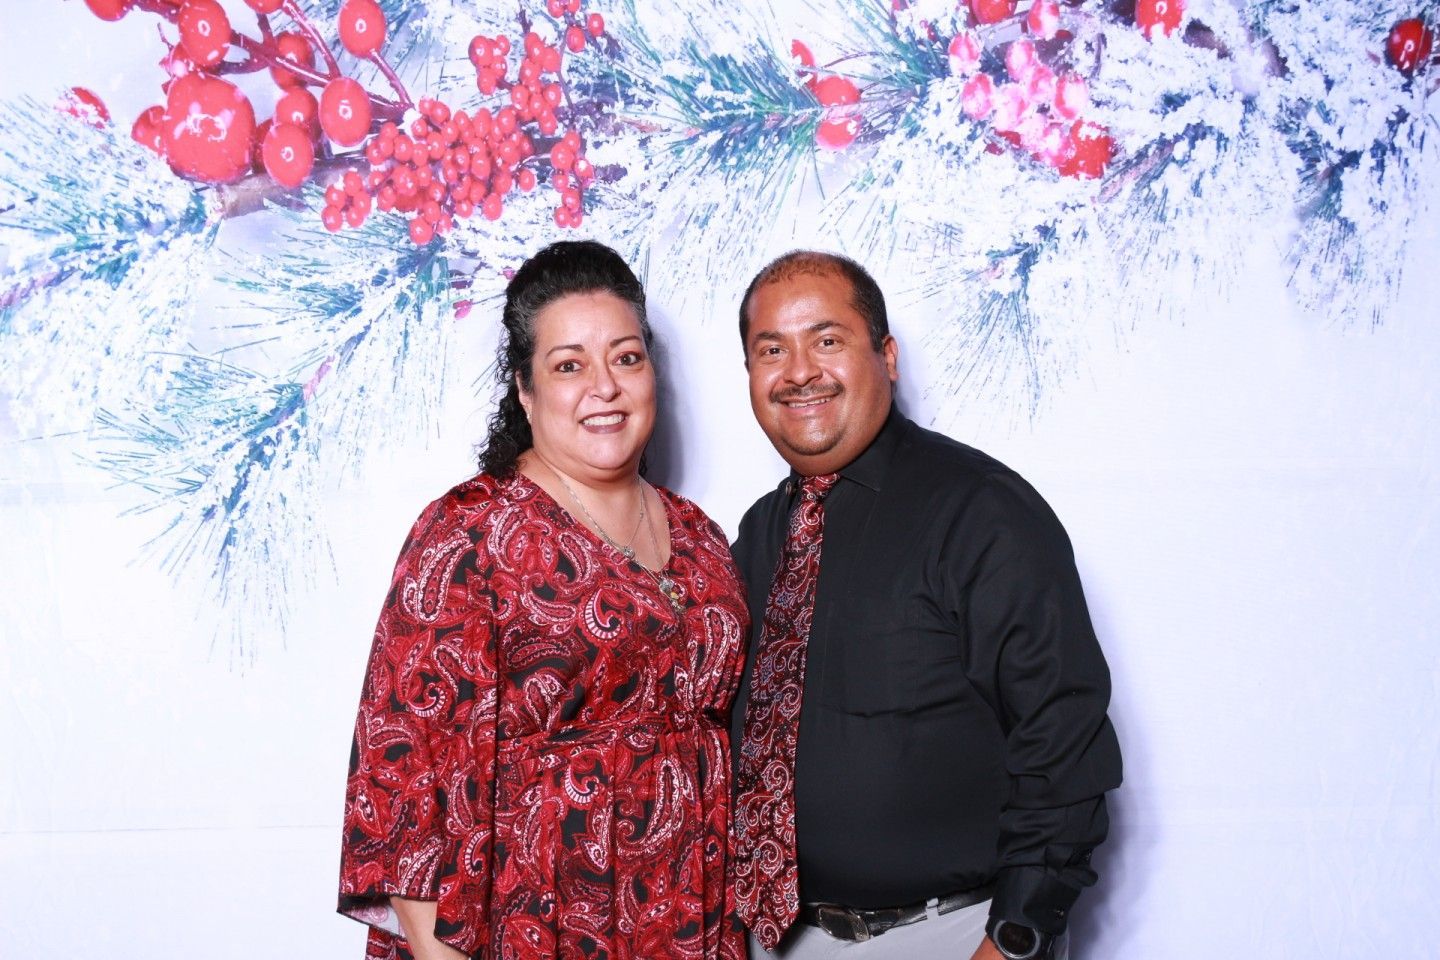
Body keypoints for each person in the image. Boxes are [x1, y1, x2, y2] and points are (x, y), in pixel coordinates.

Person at [337, 241, 748, 960]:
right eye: (569, 365)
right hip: (531, 929)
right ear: (525, 391)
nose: (605, 387)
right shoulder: (471, 534)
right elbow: (402, 786)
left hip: (688, 924)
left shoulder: (701, 536)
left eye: (626, 357)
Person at [729, 251, 1122, 960]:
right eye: (771, 350)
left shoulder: (981, 513)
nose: (799, 372)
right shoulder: (759, 533)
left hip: (950, 935)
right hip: (781, 940)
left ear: (886, 355)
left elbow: (1062, 736)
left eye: (827, 340)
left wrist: (1014, 938)